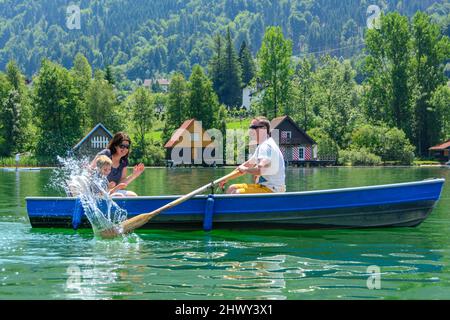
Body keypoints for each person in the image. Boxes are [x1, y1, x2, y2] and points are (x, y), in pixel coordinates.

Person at [220, 116, 286, 194]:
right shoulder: (261, 146)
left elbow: (260, 170)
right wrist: (226, 178)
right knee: (232, 188)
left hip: (272, 190)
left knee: (237, 192)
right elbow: (247, 165)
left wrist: (245, 169)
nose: (251, 130)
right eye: (250, 128)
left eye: (253, 127)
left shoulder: (266, 146)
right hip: (263, 187)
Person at [91, 132, 145, 197]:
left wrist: (134, 175)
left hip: (111, 190)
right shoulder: (106, 154)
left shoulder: (124, 161)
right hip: (97, 191)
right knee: (118, 195)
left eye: (127, 147)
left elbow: (121, 184)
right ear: (115, 146)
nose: (125, 149)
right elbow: (91, 170)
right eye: (122, 146)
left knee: (133, 195)